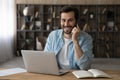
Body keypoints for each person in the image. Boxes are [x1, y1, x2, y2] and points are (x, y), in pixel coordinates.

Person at [44, 6, 93, 70]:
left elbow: (85, 67)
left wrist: (75, 41)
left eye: (70, 20)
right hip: (57, 73)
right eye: (63, 20)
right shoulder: (53, 36)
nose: (66, 24)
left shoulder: (86, 38)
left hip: (76, 75)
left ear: (76, 21)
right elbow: (45, 60)